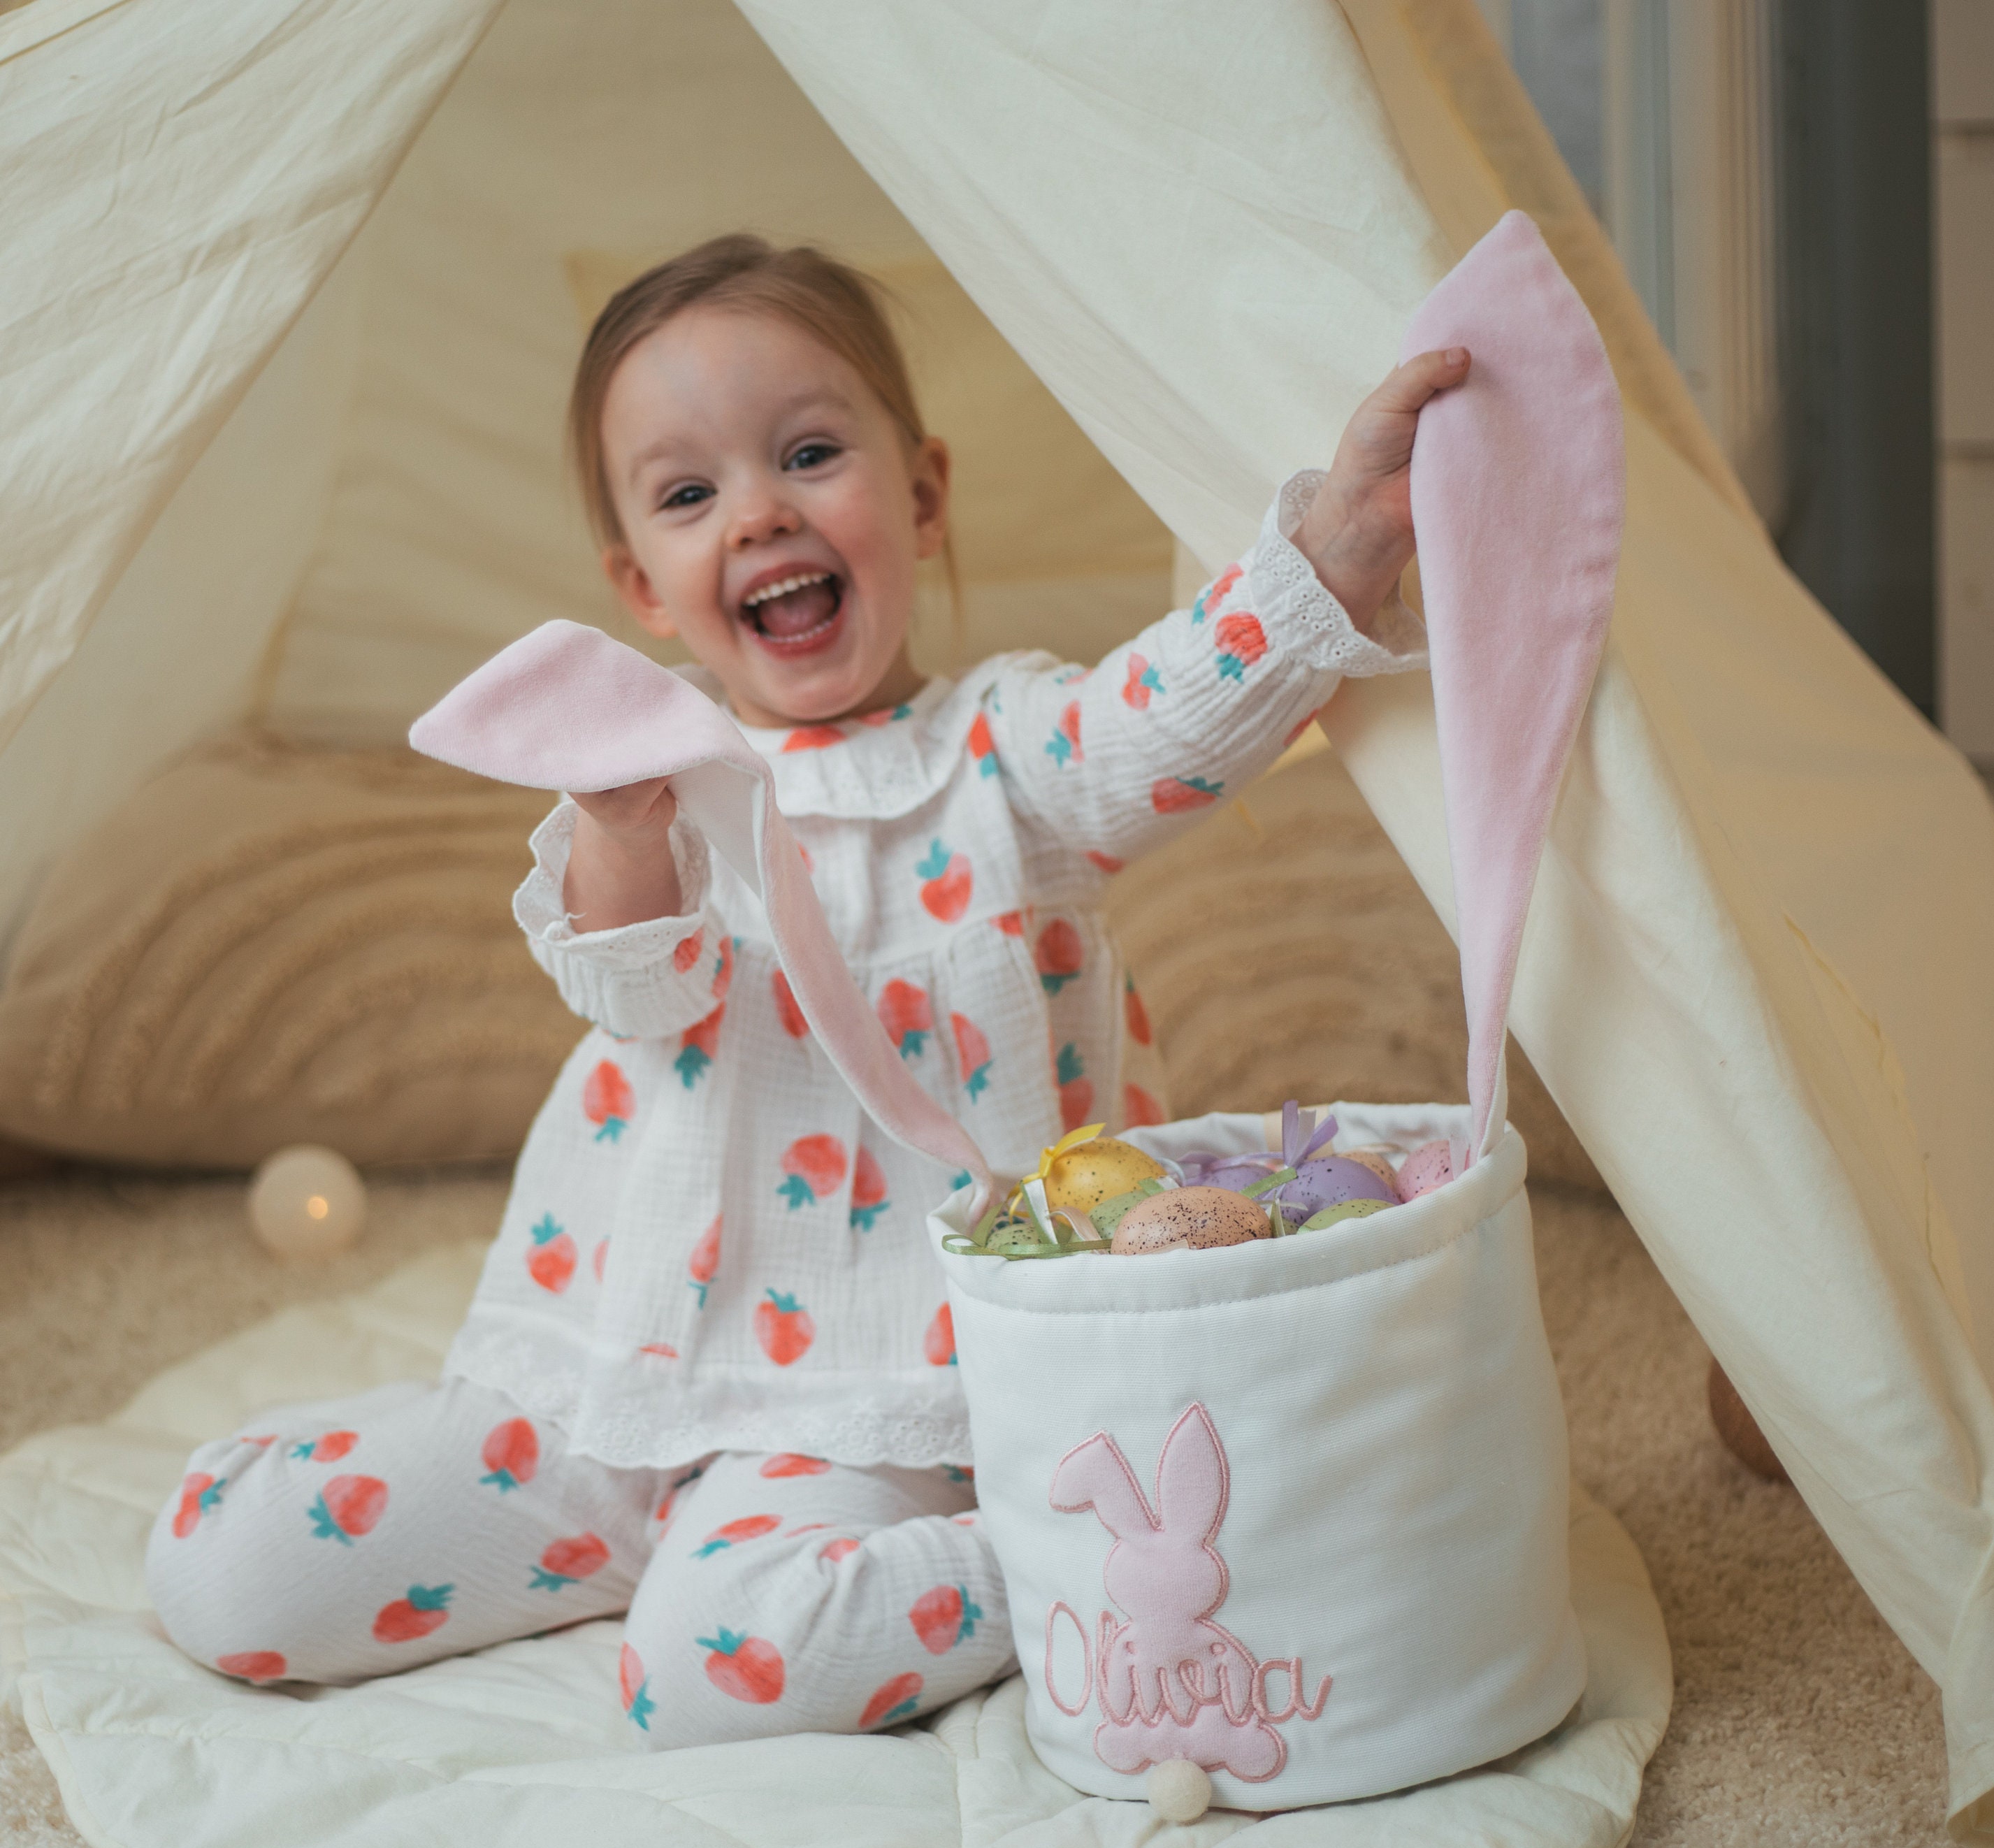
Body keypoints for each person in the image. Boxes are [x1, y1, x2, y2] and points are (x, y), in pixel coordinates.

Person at [145, 235, 1466, 1749]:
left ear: (920, 498)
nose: (761, 510)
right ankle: (659, 1542)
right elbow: (637, 995)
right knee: (225, 1565)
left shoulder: (1005, 759)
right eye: (690, 492)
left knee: (703, 1677)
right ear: (644, 585)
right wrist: (615, 830)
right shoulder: (662, 788)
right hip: (610, 1384)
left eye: (811, 453)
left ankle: (1090, 1548)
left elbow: (1158, 723)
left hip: (867, 1391)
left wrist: (1327, 562)